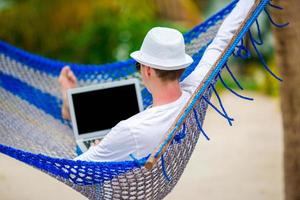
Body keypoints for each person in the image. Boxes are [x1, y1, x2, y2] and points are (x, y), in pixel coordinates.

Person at [58, 0, 255, 162]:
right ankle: (72, 106)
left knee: (93, 136)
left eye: (139, 66)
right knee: (108, 118)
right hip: (139, 142)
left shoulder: (129, 129)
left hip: (120, 167)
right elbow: (221, 41)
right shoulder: (196, 90)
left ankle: (70, 106)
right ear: (181, 67)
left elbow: (77, 167)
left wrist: (102, 145)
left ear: (148, 70)